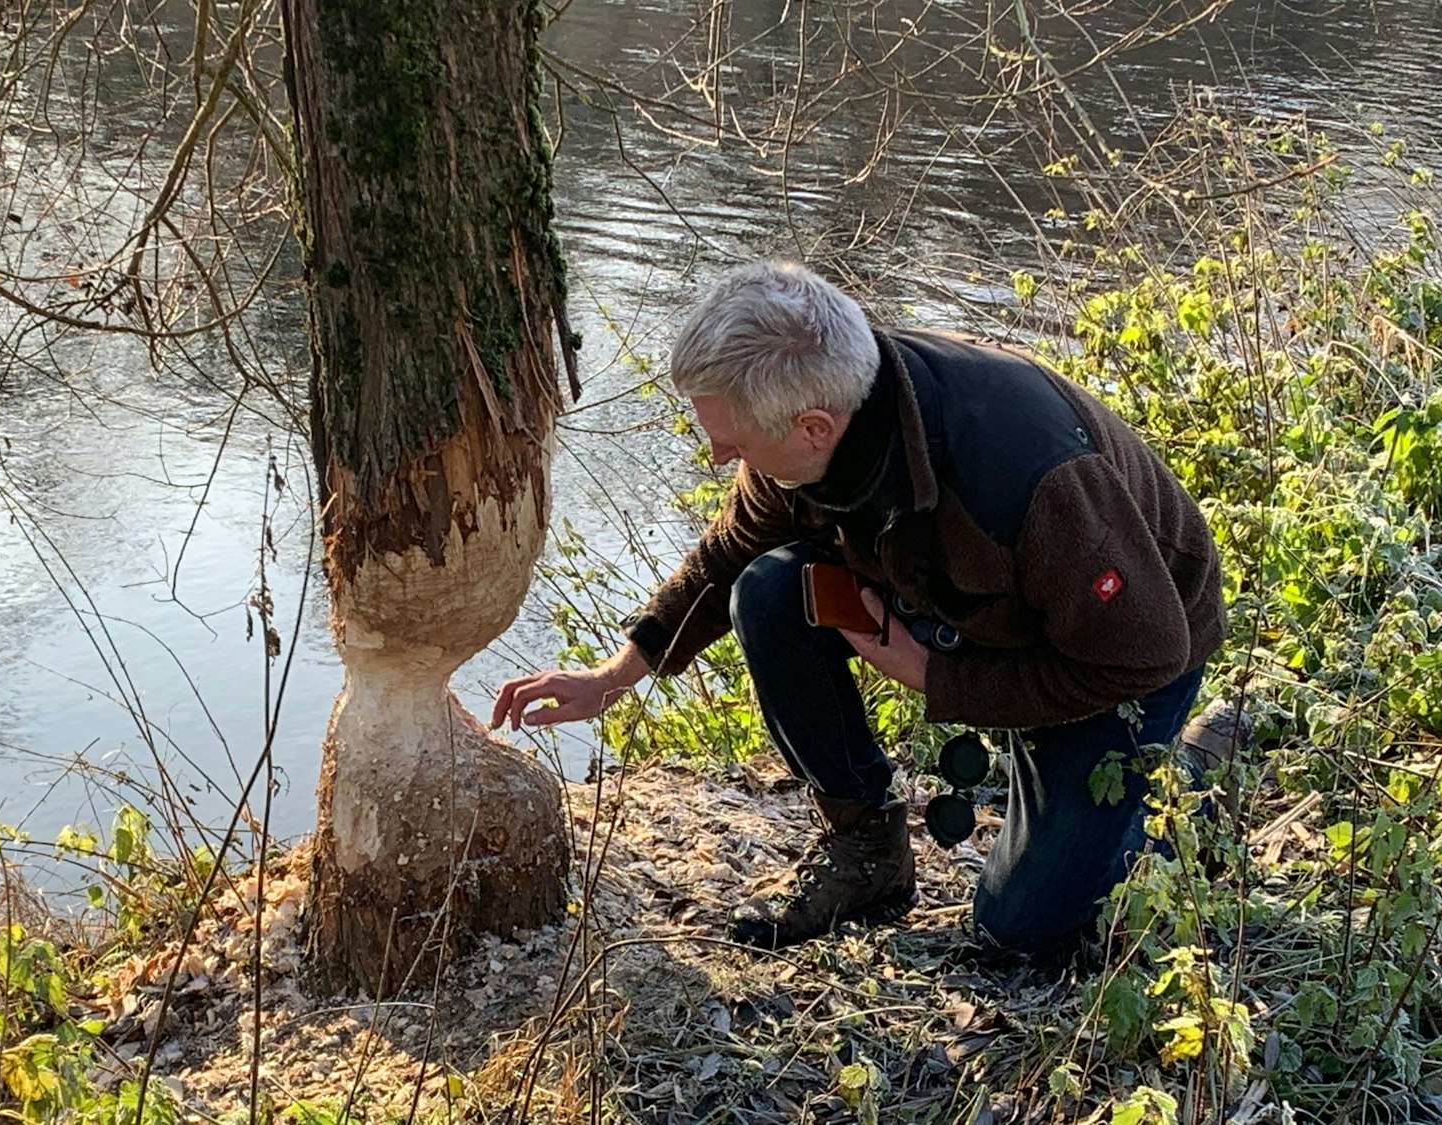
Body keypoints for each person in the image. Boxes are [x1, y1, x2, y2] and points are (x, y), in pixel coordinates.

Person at [491, 261, 1231, 955]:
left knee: (1022, 933)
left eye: (733, 443)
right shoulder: (816, 419)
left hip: (1123, 644)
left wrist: (936, 677)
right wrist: (616, 674)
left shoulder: (1032, 478)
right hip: (979, 605)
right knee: (769, 589)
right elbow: (728, 556)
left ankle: (1194, 780)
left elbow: (1144, 652)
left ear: (814, 427)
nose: (719, 456)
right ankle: (866, 848)